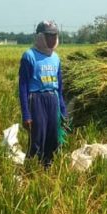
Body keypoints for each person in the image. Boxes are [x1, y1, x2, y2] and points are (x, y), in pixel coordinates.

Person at [18, 20, 68, 167]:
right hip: (37, 99)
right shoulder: (29, 56)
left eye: (55, 36)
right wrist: (26, 114)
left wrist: (63, 110)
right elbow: (23, 86)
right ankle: (31, 169)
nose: (53, 39)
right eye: (49, 36)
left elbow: (59, 87)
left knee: (53, 137)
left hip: (53, 99)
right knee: (37, 137)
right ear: (40, 37)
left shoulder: (56, 58)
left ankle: (47, 168)